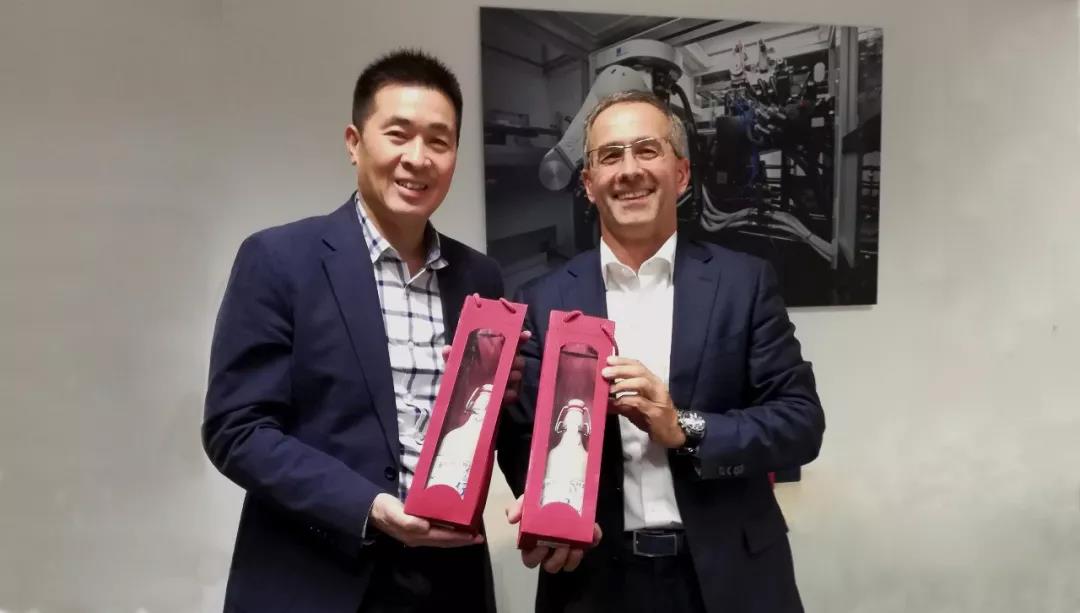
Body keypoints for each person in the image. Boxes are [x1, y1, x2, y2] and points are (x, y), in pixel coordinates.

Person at [203, 49, 521, 613]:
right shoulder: (280, 259)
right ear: (354, 142)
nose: (417, 158)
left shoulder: (481, 278)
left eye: (439, 141)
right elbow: (237, 429)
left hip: (450, 583)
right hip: (315, 577)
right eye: (398, 134)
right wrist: (369, 507)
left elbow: (483, 427)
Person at [499, 90, 825, 613]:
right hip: (593, 581)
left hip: (731, 578)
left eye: (647, 150)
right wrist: (545, 509)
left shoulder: (743, 283)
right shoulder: (541, 299)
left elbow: (800, 423)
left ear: (682, 173)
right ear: (588, 184)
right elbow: (520, 435)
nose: (629, 170)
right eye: (610, 155)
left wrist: (684, 428)